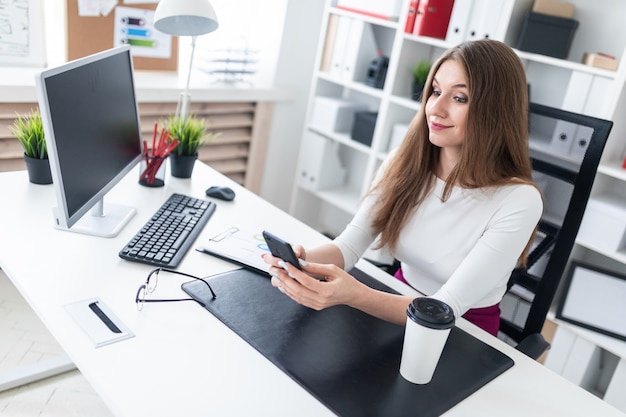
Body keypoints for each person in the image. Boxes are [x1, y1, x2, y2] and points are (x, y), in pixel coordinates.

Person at [263, 39, 543, 337]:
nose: (435, 108)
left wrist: (352, 294)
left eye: (459, 98)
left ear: (495, 110)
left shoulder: (519, 201)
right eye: (435, 91)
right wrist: (299, 263)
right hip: (392, 299)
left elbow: (444, 308)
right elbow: (349, 246)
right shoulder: (407, 161)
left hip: (461, 332)